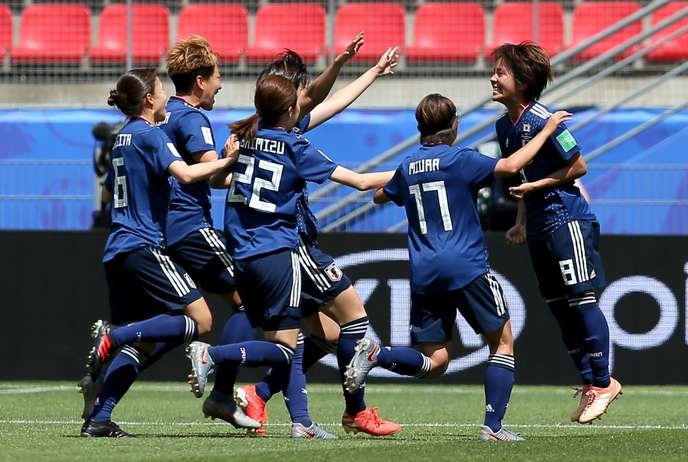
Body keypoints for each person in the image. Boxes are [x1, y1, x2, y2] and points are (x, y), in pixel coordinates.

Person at [345, 93, 572, 441]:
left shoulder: (407, 166)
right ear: (453, 126)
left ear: (420, 128)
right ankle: (493, 427)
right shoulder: (461, 159)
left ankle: (378, 354)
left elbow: (380, 196)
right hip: (465, 265)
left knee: (434, 361)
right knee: (502, 342)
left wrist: (408, 181)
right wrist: (548, 129)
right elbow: (510, 167)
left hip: (424, 271)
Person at [185, 74, 400, 438]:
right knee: (288, 349)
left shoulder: (243, 139)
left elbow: (218, 181)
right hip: (277, 253)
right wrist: (414, 172)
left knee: (293, 341)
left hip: (241, 254)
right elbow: (361, 182)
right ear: (289, 109)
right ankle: (215, 357)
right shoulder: (294, 146)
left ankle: (296, 418)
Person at [79, 68, 254, 437]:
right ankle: (114, 335)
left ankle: (99, 417)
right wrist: (230, 160)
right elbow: (188, 175)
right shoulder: (150, 133)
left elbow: (113, 189)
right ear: (148, 99)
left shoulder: (122, 137)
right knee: (202, 321)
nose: (165, 98)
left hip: (117, 249)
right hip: (144, 245)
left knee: (147, 340)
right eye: (160, 92)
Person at [491, 42, 621, 424]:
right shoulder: (504, 126)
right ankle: (590, 384)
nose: (492, 78)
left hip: (567, 218)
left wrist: (535, 189)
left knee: (581, 301)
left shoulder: (548, 121)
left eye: (500, 72)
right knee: (559, 309)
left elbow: (579, 167)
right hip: (538, 224)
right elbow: (521, 175)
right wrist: (521, 217)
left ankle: (603, 382)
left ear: (523, 80)